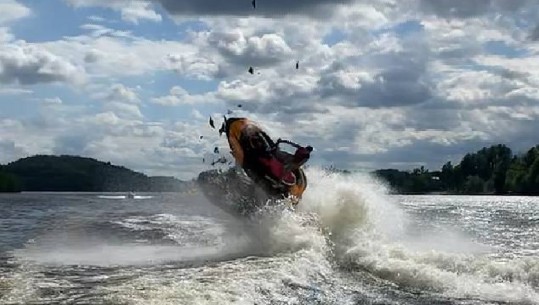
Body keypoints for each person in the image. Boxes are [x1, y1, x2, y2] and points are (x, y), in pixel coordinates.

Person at [240, 126, 312, 186]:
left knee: (284, 169)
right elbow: (293, 144)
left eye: (306, 150)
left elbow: (301, 163)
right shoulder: (301, 148)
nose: (305, 150)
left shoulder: (306, 157)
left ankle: (279, 182)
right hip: (292, 157)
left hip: (294, 163)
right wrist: (282, 141)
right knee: (278, 153)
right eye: (305, 149)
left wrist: (293, 166)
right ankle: (272, 151)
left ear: (308, 152)